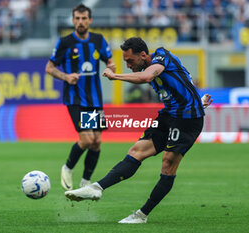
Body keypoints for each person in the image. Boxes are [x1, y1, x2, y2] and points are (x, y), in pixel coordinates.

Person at [64, 37, 212, 223]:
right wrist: (197, 101)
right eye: (125, 61)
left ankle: (142, 215)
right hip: (169, 116)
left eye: (130, 60)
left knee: (168, 163)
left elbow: (147, 76)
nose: (127, 65)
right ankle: (97, 188)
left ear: (143, 55)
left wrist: (115, 76)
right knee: (136, 151)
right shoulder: (151, 67)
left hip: (188, 121)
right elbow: (184, 81)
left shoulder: (161, 58)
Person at [45, 4, 116, 191]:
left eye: (84, 18)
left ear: (90, 20)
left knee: (96, 142)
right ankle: (67, 168)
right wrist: (66, 77)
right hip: (75, 98)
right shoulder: (65, 42)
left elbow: (110, 61)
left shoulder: (98, 40)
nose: (80, 22)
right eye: (77, 18)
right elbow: (50, 68)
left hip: (94, 99)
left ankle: (85, 182)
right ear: (73, 20)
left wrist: (111, 68)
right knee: (86, 139)